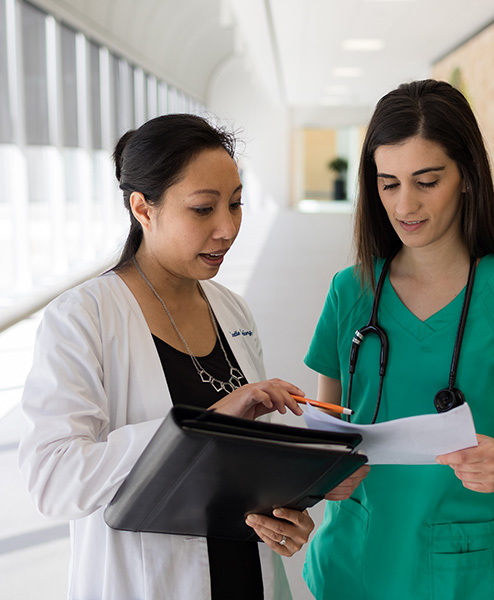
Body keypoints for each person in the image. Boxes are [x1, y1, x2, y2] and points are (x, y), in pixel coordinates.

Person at [302, 79, 494, 599]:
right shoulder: (351, 291)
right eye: (388, 183)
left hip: (464, 574)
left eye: (426, 181)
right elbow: (328, 426)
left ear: (467, 177)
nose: (404, 204)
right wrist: (321, 470)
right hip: (355, 560)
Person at [18, 113, 315, 600]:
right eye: (203, 209)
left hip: (246, 576)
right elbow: (54, 480)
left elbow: (243, 464)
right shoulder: (82, 318)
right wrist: (196, 427)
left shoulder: (230, 308)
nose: (227, 229)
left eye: (236, 205)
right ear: (143, 209)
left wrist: (286, 509)